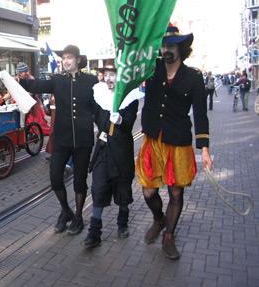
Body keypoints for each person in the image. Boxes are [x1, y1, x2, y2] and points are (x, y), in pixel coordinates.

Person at [136, 25, 213, 260]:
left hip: (177, 141)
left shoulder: (193, 77)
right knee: (149, 191)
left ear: (181, 48)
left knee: (176, 193)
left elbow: (200, 114)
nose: (166, 49)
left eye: (171, 45)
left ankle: (169, 235)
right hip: (152, 138)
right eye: (163, 45)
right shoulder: (151, 69)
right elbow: (131, 56)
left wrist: (205, 150)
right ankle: (159, 220)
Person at [19, 45, 98, 235]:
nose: (66, 61)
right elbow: (36, 85)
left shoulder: (91, 80)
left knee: (80, 181)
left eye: (69, 57)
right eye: (64, 58)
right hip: (61, 139)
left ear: (78, 60)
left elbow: (98, 106)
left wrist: (105, 129)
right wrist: (19, 81)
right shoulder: (57, 80)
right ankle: (66, 211)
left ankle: (78, 217)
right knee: (55, 178)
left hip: (83, 140)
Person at [83, 65, 142, 248]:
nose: (109, 78)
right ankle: (94, 232)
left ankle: (122, 222)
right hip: (103, 149)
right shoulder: (99, 95)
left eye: (113, 75)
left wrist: (121, 120)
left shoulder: (130, 98)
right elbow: (92, 113)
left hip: (121, 150)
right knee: (99, 187)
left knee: (123, 186)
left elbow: (129, 123)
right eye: (106, 74)